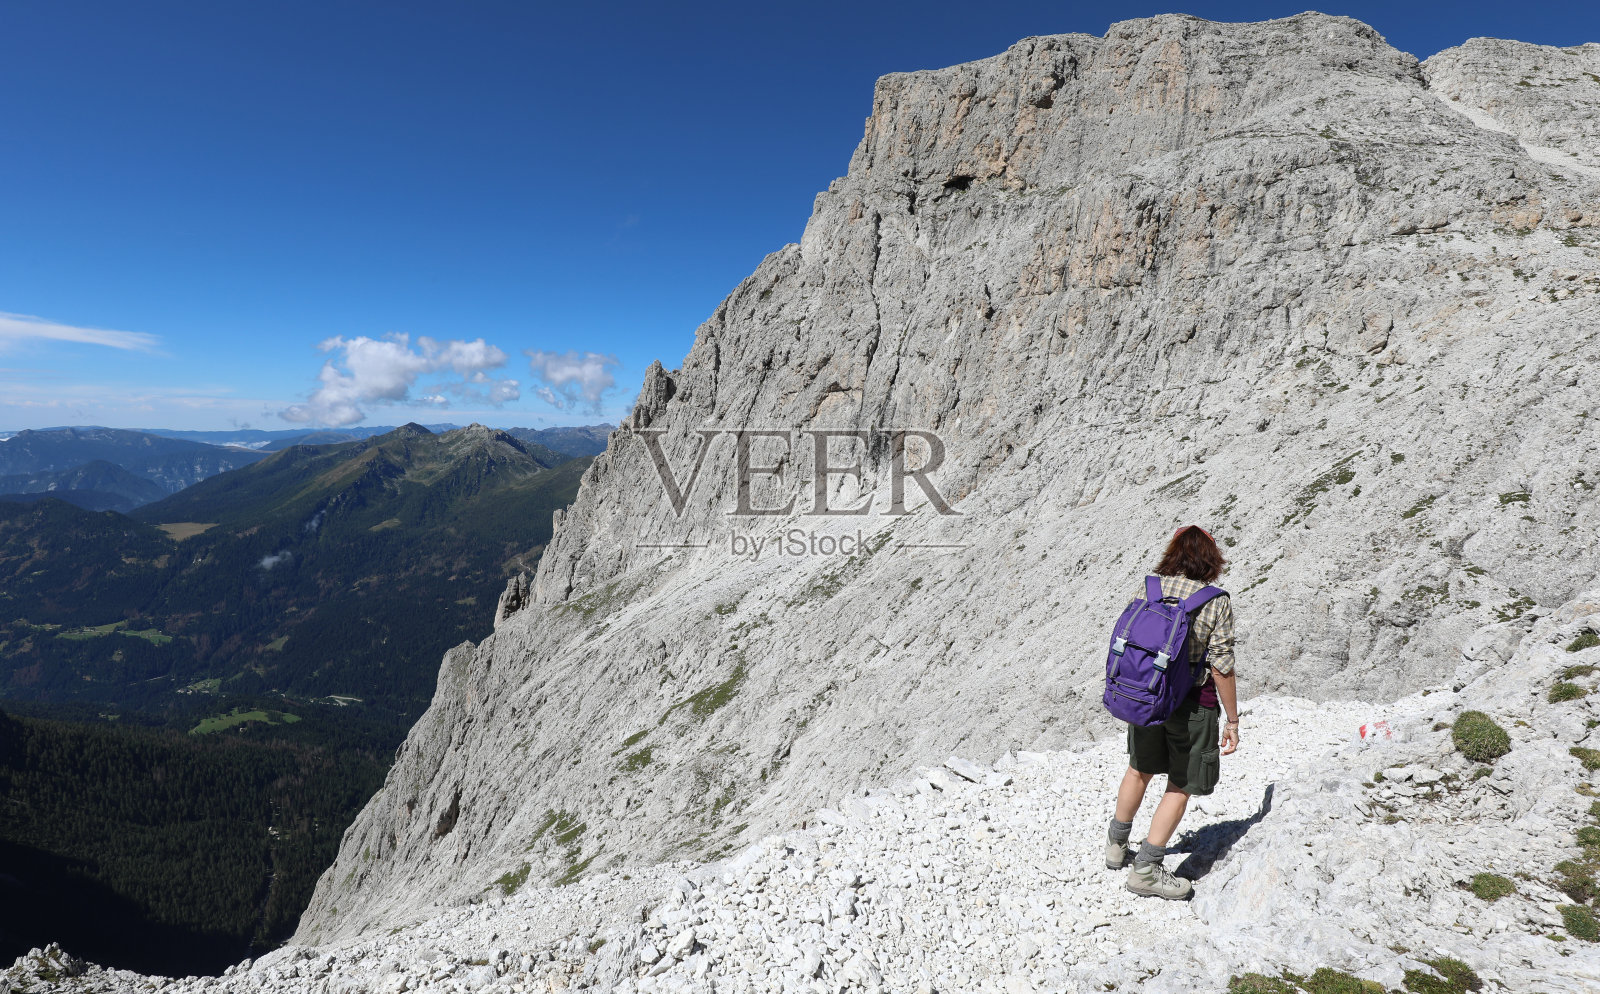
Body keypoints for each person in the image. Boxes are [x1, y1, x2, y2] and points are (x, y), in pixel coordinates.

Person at [1104, 525, 1239, 900]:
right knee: (1180, 784)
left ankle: (1116, 847)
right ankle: (1146, 870)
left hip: (1147, 698)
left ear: (1173, 553)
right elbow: (1222, 666)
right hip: (1193, 705)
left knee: (1138, 769)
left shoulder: (1150, 588)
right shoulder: (1216, 600)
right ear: (1211, 558)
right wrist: (1232, 719)